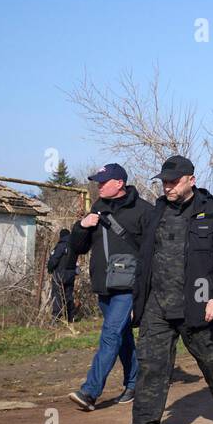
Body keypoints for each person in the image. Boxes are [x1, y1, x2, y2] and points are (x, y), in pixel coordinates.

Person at [107, 156, 213, 424]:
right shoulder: (156, 212)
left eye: (173, 181)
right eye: (164, 182)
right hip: (157, 304)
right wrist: (138, 299)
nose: (167, 187)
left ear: (190, 181)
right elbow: (144, 259)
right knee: (151, 367)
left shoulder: (211, 212)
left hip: (198, 299)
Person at [66, 164, 152, 410]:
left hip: (128, 287)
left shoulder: (144, 211)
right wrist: (82, 226)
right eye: (97, 182)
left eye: (103, 182)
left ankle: (90, 392)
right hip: (103, 285)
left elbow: (153, 251)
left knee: (111, 334)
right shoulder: (97, 208)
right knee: (122, 337)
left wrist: (147, 287)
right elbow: (78, 247)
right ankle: (135, 382)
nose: (99, 186)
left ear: (119, 183)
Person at [46, 228, 77, 322]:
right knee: (68, 296)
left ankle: (56, 318)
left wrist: (50, 269)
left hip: (59, 275)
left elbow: (54, 260)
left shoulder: (60, 246)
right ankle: (70, 318)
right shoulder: (74, 246)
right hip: (71, 275)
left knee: (57, 296)